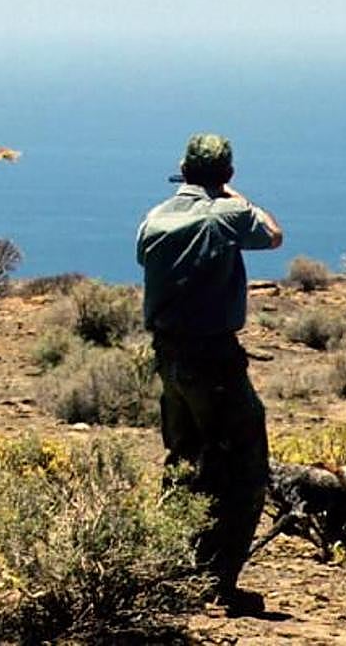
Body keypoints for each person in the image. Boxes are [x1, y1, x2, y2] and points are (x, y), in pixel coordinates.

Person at [136, 132, 283, 616]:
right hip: (214, 357)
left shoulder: (155, 217)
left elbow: (145, 256)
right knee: (242, 467)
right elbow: (273, 234)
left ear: (182, 169)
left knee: (183, 461)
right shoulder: (228, 214)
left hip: (168, 357)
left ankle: (166, 567)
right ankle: (218, 582)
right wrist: (234, 196)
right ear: (229, 174)